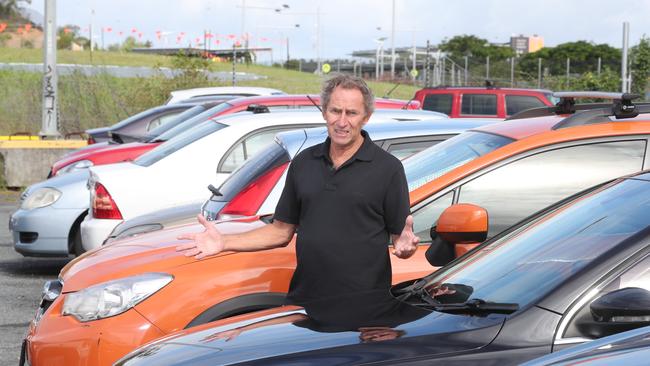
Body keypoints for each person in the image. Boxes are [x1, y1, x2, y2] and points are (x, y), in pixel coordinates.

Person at [176, 73, 419, 305]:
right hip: (305, 302)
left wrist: (406, 249)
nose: (342, 121)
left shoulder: (388, 169)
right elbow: (281, 232)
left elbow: (402, 241)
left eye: (351, 113)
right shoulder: (304, 163)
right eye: (335, 111)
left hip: (364, 309)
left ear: (366, 117)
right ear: (324, 112)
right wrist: (224, 242)